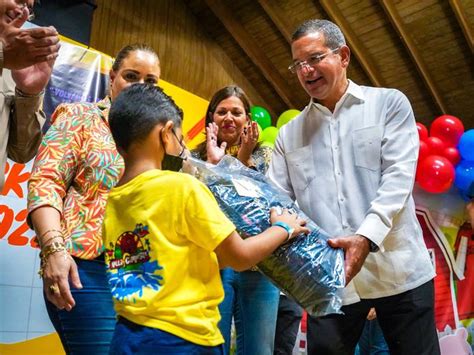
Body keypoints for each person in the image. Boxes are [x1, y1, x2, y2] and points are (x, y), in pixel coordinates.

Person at [267, 19, 439, 355]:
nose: (306, 71)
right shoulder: (290, 135)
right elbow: (280, 202)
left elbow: (398, 179)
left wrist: (366, 238)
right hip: (332, 283)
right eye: (298, 64)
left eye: (315, 58)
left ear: (343, 55)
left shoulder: (389, 104)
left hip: (400, 271)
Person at [103, 83, 309, 354]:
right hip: (185, 339)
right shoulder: (182, 187)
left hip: (128, 335)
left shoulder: (113, 201)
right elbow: (240, 256)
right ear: (166, 134)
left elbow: (184, 254)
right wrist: (284, 228)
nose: (183, 146)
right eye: (179, 137)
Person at [27, 43, 160, 354]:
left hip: (137, 273)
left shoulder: (154, 142)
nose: (141, 86)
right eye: (131, 76)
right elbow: (46, 182)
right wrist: (54, 251)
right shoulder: (79, 116)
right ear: (112, 77)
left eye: (151, 81)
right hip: (84, 268)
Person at [193, 85, 280, 355]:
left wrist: (243, 157)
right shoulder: (195, 157)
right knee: (211, 346)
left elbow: (261, 204)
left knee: (260, 350)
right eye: (221, 112)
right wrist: (212, 165)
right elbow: (198, 207)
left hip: (259, 266)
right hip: (212, 264)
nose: (228, 117)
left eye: (236, 112)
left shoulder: (265, 155)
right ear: (210, 118)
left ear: (248, 119)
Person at [0, 0, 59, 190]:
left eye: (29, 7)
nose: (23, 10)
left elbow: (21, 152)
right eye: (19, 0)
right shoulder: (8, 56)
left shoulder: (15, 63)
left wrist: (29, 93)